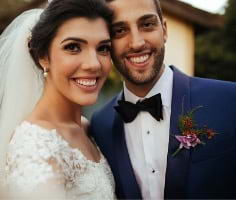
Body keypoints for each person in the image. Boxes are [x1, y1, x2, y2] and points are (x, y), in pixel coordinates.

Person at [0, 0, 116, 198]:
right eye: (73, 47)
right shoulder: (35, 148)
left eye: (103, 48)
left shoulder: (85, 128)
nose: (93, 64)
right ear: (42, 56)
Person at [90, 0, 236, 199]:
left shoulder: (229, 100)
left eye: (147, 25)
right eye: (119, 31)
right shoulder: (100, 124)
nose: (137, 43)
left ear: (164, 30)